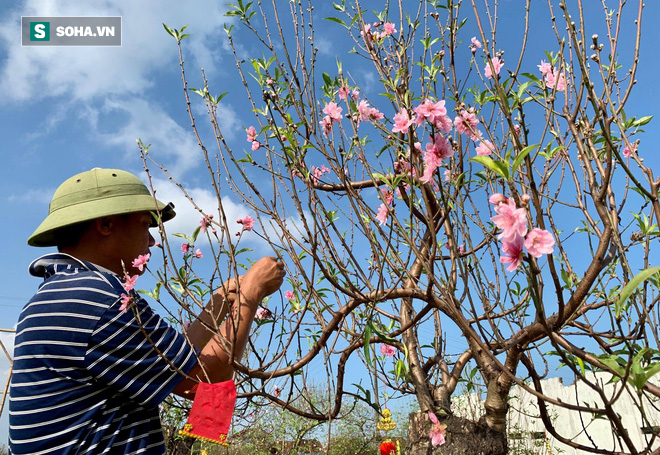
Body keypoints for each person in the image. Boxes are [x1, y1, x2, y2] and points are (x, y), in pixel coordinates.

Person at [8, 168, 285, 454]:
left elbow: (174, 362)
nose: (152, 240)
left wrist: (219, 302)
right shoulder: (98, 299)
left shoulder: (62, 293)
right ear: (105, 224)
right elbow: (206, 379)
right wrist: (252, 294)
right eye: (145, 225)